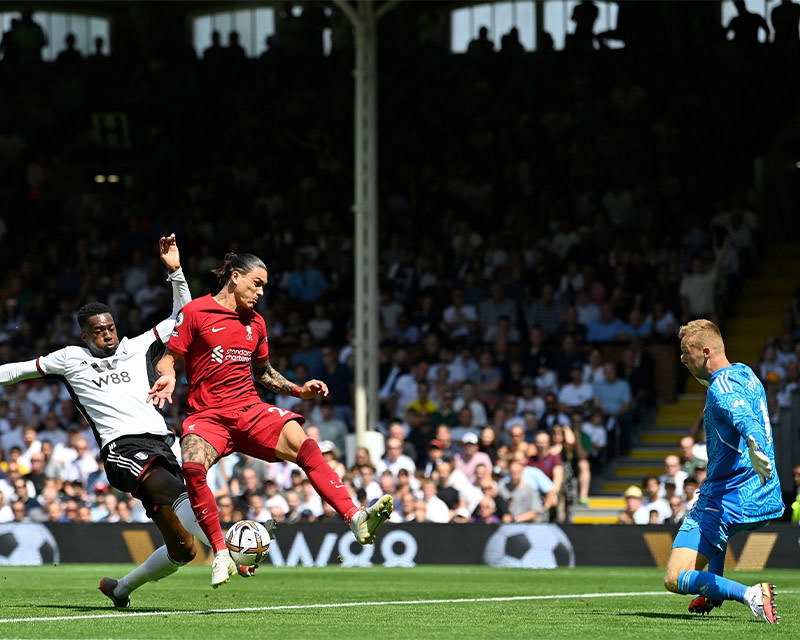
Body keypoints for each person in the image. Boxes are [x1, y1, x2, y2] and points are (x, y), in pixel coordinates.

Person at [147, 252, 393, 588]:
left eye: (264, 286)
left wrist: (297, 390)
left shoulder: (256, 323)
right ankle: (221, 552)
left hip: (249, 410)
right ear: (235, 277)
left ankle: (355, 517)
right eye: (257, 283)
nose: (261, 292)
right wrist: (169, 376)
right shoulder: (196, 312)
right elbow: (168, 359)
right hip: (208, 416)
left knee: (305, 445)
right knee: (191, 467)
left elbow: (263, 372)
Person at [0, 235, 220, 608]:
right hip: (122, 449)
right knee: (176, 492)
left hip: (161, 444)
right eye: (99, 331)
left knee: (182, 548)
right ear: (85, 336)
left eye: (111, 327)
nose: (108, 334)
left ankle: (120, 589)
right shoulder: (70, 358)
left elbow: (183, 319)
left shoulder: (137, 346)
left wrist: (176, 274)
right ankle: (230, 546)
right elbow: (18, 371)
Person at [663, 320, 784, 623]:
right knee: (716, 526)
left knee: (675, 577)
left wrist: (754, 443)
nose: (681, 359)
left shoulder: (722, 387)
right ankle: (714, 591)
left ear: (705, 351)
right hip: (763, 493)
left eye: (685, 352)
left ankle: (752, 595)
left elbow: (742, 416)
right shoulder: (745, 373)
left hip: (729, 495)